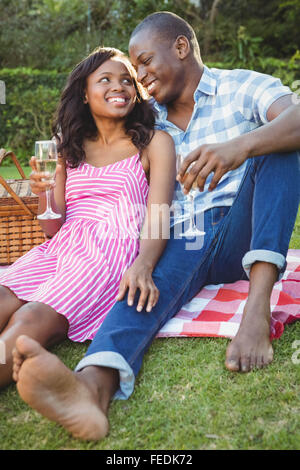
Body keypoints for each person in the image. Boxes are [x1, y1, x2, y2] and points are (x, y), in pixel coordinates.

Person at [12, 12, 300, 441]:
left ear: (180, 48)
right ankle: (92, 386)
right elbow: (146, 195)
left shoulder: (242, 86)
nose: (139, 76)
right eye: (134, 69)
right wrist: (142, 262)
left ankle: (257, 310)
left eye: (144, 63)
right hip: (186, 232)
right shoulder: (151, 122)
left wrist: (239, 147)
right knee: (140, 288)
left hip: (245, 224)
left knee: (280, 146)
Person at [0, 46, 176, 392]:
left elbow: (158, 215)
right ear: (84, 92)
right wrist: (43, 191)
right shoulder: (67, 146)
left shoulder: (155, 143)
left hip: (108, 253)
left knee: (31, 317)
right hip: (60, 249)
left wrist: (143, 264)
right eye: (106, 80)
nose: (119, 87)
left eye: (127, 80)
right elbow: (52, 228)